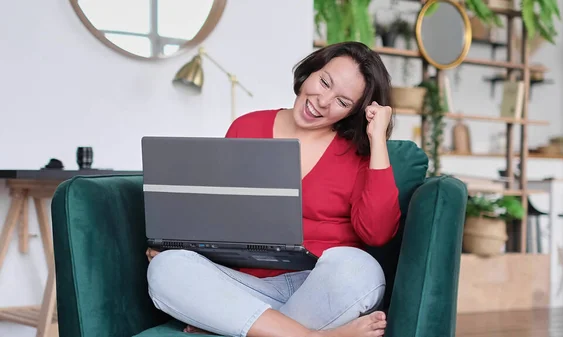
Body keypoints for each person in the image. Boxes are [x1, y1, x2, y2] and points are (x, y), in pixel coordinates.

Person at [145, 41, 401, 337]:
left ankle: (240, 324)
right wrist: (180, 244)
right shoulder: (247, 127)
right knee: (167, 268)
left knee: (360, 269)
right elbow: (221, 215)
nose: (322, 101)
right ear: (310, 72)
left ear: (354, 113)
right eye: (324, 82)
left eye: (342, 102)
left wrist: (378, 139)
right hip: (248, 285)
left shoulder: (360, 152)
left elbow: (377, 233)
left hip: (321, 289)